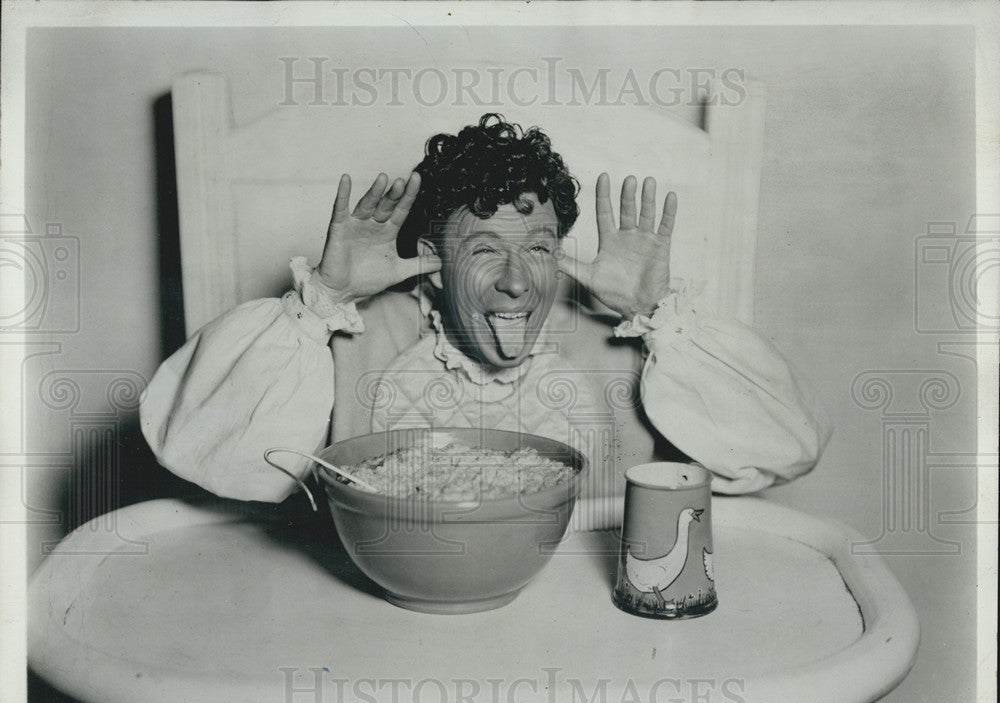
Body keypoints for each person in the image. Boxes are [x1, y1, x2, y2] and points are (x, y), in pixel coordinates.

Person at [140, 115, 831, 526]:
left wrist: (659, 318)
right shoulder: (346, 340)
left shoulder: (634, 344)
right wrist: (320, 299)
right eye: (483, 250)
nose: (515, 279)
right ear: (434, 264)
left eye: (538, 248)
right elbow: (198, 449)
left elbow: (788, 448)